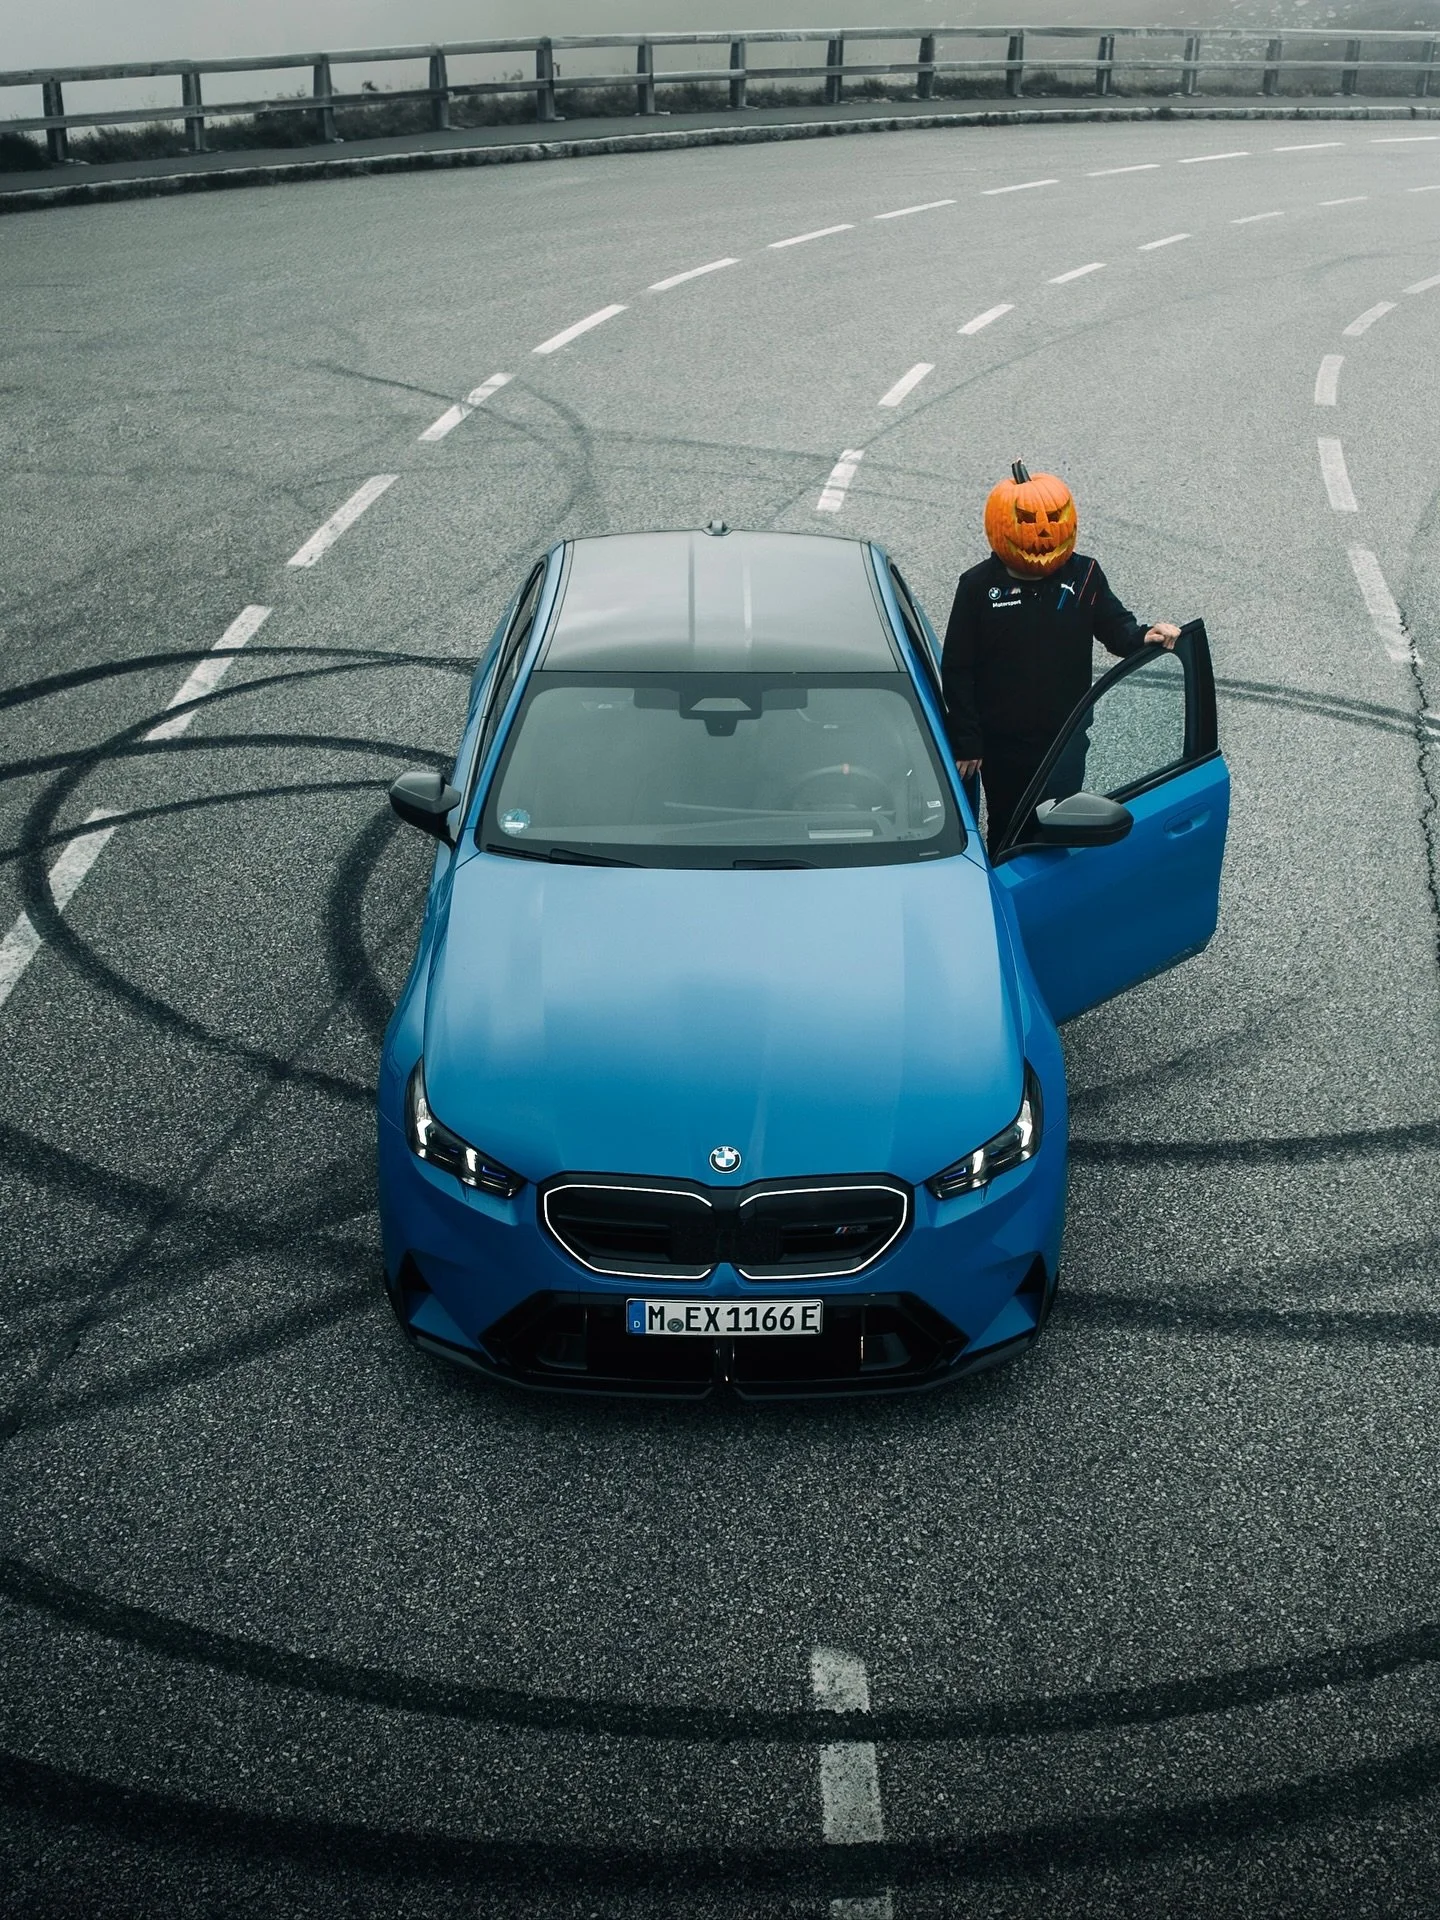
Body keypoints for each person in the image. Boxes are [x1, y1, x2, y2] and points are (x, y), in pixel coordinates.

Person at [942, 462, 1180, 854]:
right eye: (1026, 520)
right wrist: (967, 741)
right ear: (1002, 526)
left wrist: (1143, 636)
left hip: (1064, 737)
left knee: (1059, 825)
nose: (1042, 532)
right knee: (1009, 828)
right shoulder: (978, 588)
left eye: (1054, 518)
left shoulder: (1085, 576)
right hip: (1004, 743)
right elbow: (957, 667)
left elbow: (1116, 628)